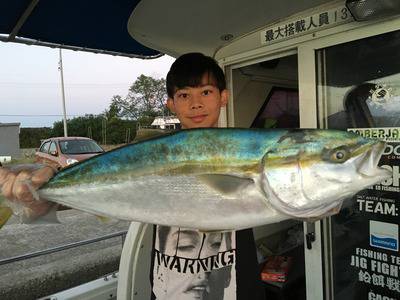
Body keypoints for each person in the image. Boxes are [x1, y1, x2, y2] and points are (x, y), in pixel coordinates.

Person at [0, 53, 265, 299]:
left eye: (206, 92)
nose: (196, 103)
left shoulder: (246, 151)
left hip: (237, 287)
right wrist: (37, 188)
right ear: (170, 104)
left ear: (223, 97)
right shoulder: (149, 155)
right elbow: (90, 190)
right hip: (168, 289)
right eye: (184, 95)